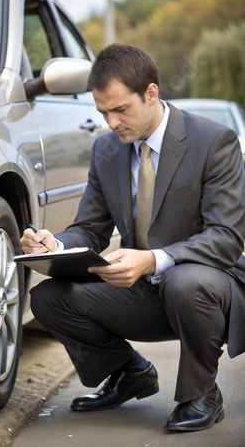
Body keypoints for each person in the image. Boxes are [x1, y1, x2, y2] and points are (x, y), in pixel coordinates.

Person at [21, 43, 245, 432]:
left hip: (208, 287)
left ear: (151, 94)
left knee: (183, 279)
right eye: (103, 112)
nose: (111, 122)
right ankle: (130, 373)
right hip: (145, 293)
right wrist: (52, 243)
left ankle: (202, 392)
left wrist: (152, 258)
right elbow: (89, 229)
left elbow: (226, 238)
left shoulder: (214, 141)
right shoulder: (106, 150)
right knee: (47, 297)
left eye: (120, 110)